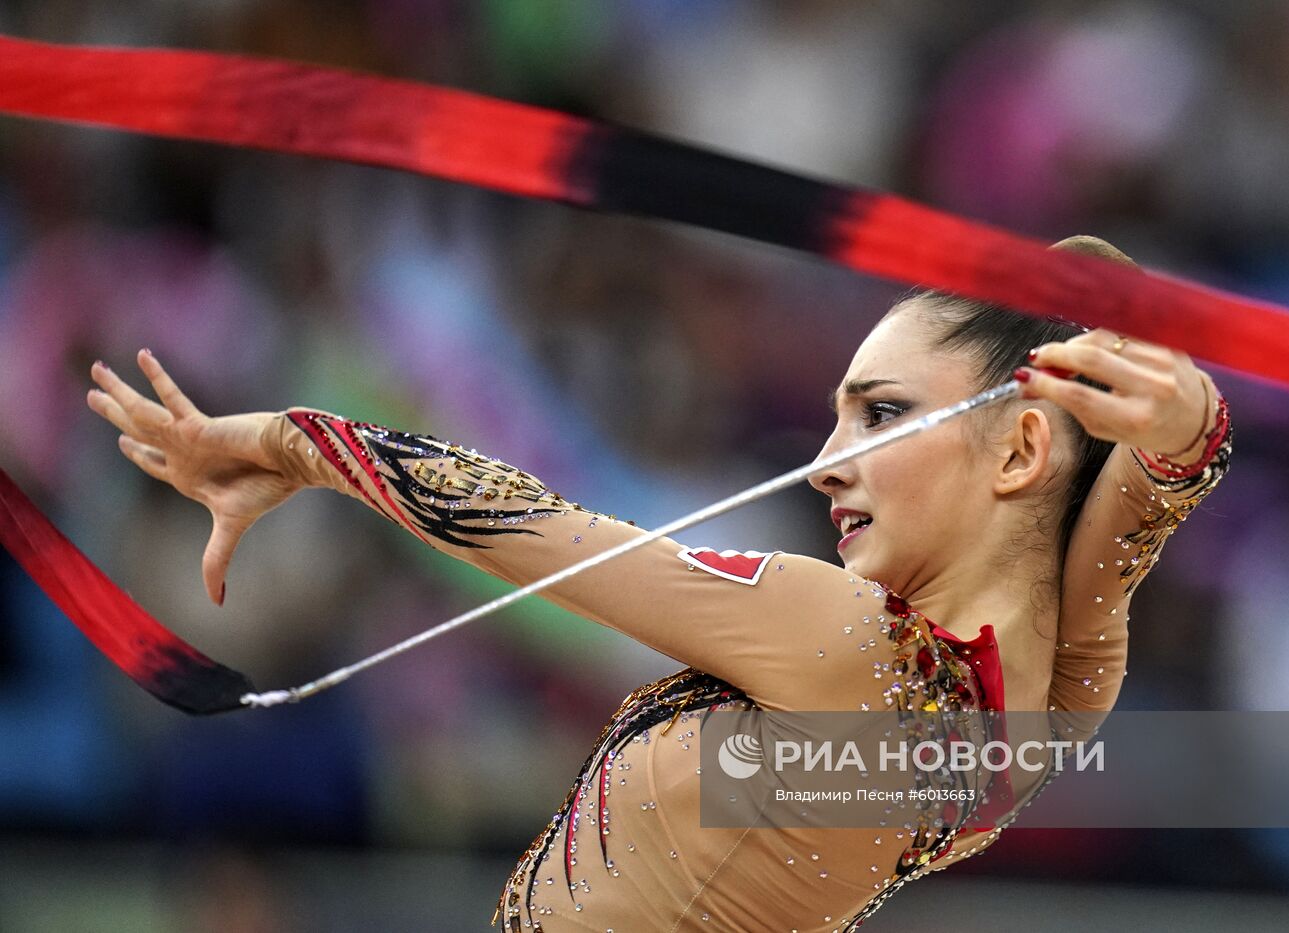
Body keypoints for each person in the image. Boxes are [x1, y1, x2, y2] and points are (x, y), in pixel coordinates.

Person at [85, 236, 1231, 931]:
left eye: (879, 413)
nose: (827, 460)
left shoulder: (844, 642)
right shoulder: (1041, 707)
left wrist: (291, 441)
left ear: (1020, 450)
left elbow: (526, 526)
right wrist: (1187, 425)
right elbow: (1142, 502)